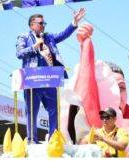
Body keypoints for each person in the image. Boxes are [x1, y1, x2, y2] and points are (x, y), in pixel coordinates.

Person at [16, 9, 85, 142]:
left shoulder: (48, 37)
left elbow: (62, 35)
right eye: (41, 23)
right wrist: (34, 47)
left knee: (54, 110)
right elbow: (19, 54)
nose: (43, 26)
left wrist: (74, 22)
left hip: (50, 80)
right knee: (32, 111)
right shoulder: (24, 37)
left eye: (44, 23)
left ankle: (53, 138)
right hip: (33, 81)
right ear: (32, 25)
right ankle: (32, 140)